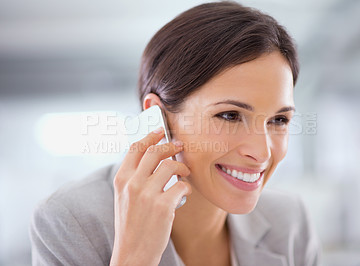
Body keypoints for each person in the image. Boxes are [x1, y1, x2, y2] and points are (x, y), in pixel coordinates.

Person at [29, 1, 321, 265]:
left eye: (279, 120)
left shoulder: (290, 221)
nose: (262, 153)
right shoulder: (68, 222)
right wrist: (135, 257)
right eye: (230, 115)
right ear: (157, 117)